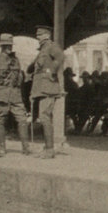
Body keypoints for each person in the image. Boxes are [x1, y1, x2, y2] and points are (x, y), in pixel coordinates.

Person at [0, 33, 31, 154]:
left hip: (15, 95)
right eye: (7, 45)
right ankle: (2, 147)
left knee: (22, 120)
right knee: (0, 121)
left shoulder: (16, 60)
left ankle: (25, 147)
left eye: (10, 45)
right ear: (2, 46)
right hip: (1, 95)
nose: (10, 47)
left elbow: (20, 78)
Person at [29, 24, 64, 159]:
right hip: (42, 88)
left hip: (48, 87)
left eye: (40, 35)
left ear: (47, 35)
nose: (37, 37)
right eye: (37, 35)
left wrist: (51, 71)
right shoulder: (43, 49)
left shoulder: (51, 46)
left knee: (44, 116)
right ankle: (47, 148)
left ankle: (49, 149)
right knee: (44, 116)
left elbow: (60, 57)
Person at [85, 70, 108, 135]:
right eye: (102, 79)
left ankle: (104, 131)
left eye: (104, 79)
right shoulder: (101, 87)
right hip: (101, 105)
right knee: (98, 110)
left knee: (105, 112)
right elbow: (98, 96)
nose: (102, 80)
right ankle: (91, 129)